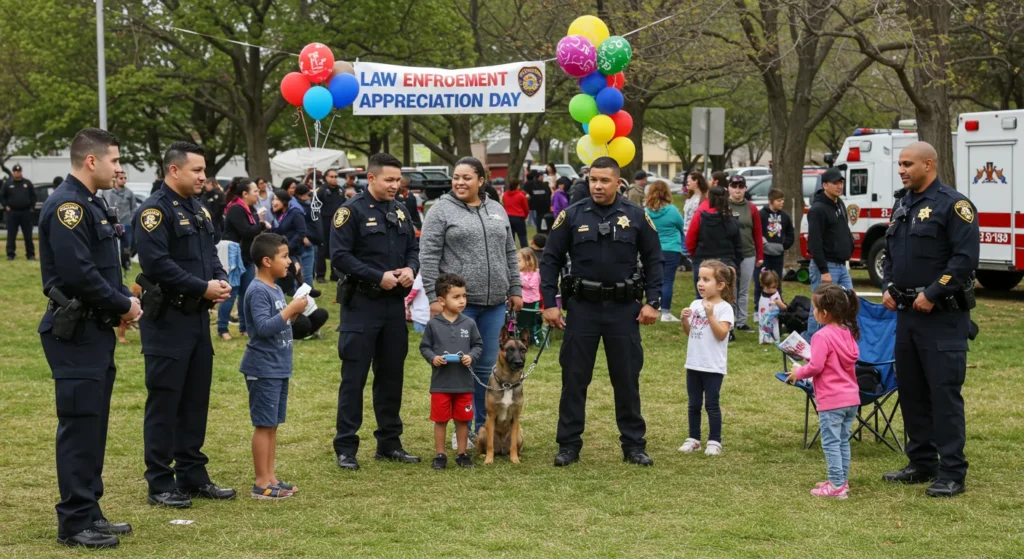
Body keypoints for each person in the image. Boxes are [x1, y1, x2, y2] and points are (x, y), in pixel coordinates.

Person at [38, 128, 142, 549]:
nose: (119, 168)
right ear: (92, 160)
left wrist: (122, 300)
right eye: (115, 160)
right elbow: (79, 273)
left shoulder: (91, 202)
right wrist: (123, 304)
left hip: (94, 330)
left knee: (93, 426)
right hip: (76, 332)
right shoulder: (68, 206)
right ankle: (74, 522)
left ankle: (90, 509)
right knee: (80, 426)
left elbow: (104, 267)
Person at [540, 156, 663, 467]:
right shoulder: (571, 215)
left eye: (604, 180)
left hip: (624, 310)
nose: (597, 185)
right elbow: (550, 259)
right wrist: (549, 303)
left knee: (626, 378)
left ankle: (633, 445)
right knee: (574, 378)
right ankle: (569, 444)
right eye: (593, 179)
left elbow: (654, 259)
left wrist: (653, 301)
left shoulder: (636, 215)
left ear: (618, 183)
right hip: (583, 308)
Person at [135, 141, 236, 508]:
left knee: (195, 400)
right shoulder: (154, 212)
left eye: (204, 170)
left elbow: (210, 253)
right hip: (167, 320)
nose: (203, 176)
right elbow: (157, 264)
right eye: (197, 170)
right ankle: (160, 481)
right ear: (174, 170)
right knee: (165, 403)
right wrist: (201, 287)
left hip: (196, 319)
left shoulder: (199, 209)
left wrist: (220, 279)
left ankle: (193, 475)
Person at [881, 141, 979, 498]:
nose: (902, 170)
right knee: (912, 392)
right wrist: (888, 285)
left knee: (943, 394)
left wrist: (933, 292)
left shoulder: (954, 205)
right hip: (907, 316)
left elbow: (964, 259)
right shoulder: (903, 205)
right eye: (900, 164)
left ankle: (952, 471)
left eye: (908, 164)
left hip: (942, 318)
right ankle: (922, 462)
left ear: (929, 164)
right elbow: (890, 254)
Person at [419, 156, 523, 452]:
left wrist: (515, 287)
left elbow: (510, 252)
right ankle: (460, 427)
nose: (460, 182)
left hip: (495, 304)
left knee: (488, 368)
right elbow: (428, 256)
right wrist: (434, 298)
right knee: (460, 367)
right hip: (459, 306)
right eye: (456, 177)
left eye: (466, 177)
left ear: (481, 180)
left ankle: (482, 429)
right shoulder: (440, 210)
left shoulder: (497, 209)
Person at [330, 152, 420, 471]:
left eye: (398, 180)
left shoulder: (400, 210)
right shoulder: (350, 211)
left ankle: (389, 443)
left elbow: (413, 248)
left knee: (391, 376)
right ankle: (346, 447)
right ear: (371, 178)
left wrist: (411, 268)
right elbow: (339, 256)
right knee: (354, 379)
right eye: (389, 180)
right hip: (361, 305)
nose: (395, 185)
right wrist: (376, 276)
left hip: (393, 306)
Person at [240, 233, 309, 500]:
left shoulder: (276, 288)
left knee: (272, 424)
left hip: (278, 367)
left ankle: (271, 478)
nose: (289, 261)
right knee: (263, 424)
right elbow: (263, 328)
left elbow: (281, 323)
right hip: (262, 368)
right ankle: (261, 483)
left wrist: (295, 311)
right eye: (284, 256)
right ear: (267, 261)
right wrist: (290, 310)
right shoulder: (258, 290)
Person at [786, 285, 861, 498]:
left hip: (832, 400)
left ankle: (836, 486)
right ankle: (841, 480)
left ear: (825, 313)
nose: (813, 312)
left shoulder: (821, 336)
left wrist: (798, 372)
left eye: (814, 309)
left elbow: (816, 367)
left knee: (830, 442)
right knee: (842, 440)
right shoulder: (847, 332)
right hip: (851, 398)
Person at [419, 273, 483, 470]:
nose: (462, 300)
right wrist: (433, 358)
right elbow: (425, 347)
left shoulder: (469, 323)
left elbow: (478, 345)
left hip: (464, 384)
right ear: (441, 300)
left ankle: (462, 454)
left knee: (463, 420)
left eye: (464, 296)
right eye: (456, 297)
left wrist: (471, 356)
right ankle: (440, 454)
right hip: (441, 384)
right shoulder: (433, 324)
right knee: (440, 420)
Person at [679, 260, 735, 457]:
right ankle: (693, 439)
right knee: (693, 404)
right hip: (694, 363)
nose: (700, 283)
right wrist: (684, 320)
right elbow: (690, 332)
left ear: (720, 285)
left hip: (712, 366)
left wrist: (710, 315)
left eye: (706, 279)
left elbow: (721, 334)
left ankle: (714, 441)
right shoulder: (695, 304)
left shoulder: (725, 308)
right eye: (699, 279)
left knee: (711, 404)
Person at [218, 179, 271, 340]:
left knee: (246, 293)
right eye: (255, 191)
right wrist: (262, 225)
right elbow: (246, 231)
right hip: (234, 256)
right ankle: (222, 328)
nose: (257, 194)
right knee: (231, 292)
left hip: (247, 257)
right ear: (245, 194)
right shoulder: (236, 209)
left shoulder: (250, 209)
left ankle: (244, 327)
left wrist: (259, 222)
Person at [806, 167, 855, 337]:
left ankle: (840, 341)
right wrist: (824, 270)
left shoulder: (839, 204)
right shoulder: (817, 209)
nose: (839, 186)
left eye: (841, 182)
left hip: (841, 266)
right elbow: (814, 243)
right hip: (826, 266)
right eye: (835, 183)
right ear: (825, 185)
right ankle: (812, 344)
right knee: (820, 308)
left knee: (849, 303)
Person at [686, 186, 743, 301]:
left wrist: (695, 256)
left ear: (710, 198)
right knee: (728, 299)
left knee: (702, 298)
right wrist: (735, 262)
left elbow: (690, 239)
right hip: (726, 260)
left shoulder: (700, 216)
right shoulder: (732, 220)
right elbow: (738, 245)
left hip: (703, 259)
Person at [725, 175, 764, 331]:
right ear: (729, 187)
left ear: (745, 189)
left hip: (748, 253)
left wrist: (760, 255)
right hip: (729, 254)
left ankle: (741, 321)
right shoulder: (723, 205)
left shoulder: (752, 208)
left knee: (743, 289)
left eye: (741, 187)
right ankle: (729, 319)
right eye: (734, 186)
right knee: (730, 288)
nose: (737, 190)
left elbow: (757, 233)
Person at [645, 180, 686, 322]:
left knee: (653, 279)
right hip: (671, 248)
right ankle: (666, 313)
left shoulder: (646, 212)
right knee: (667, 280)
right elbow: (681, 226)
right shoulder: (672, 210)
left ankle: (652, 305)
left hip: (653, 248)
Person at [755, 189, 795, 306]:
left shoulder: (785, 216)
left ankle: (777, 306)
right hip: (764, 255)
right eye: (779, 200)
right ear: (770, 201)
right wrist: (764, 245)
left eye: (783, 200)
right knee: (761, 281)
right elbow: (756, 232)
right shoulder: (761, 215)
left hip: (778, 255)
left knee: (777, 282)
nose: (782, 203)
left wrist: (784, 246)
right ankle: (759, 307)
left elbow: (790, 233)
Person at [270, 189, 307, 296]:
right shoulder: (278, 214)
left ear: (284, 201)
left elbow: (301, 232)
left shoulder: (295, 213)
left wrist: (288, 247)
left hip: (293, 252)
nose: (273, 202)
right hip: (280, 252)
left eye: (276, 199)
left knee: (296, 279)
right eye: (273, 199)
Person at [100, 170, 137, 271]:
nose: (124, 180)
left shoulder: (129, 193)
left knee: (127, 246)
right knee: (111, 244)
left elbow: (134, 208)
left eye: (125, 178)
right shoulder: (108, 193)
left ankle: (126, 263)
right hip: (112, 223)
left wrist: (131, 220)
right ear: (115, 179)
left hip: (126, 223)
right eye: (121, 178)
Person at [315, 169, 344, 283]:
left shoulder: (340, 190)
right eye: (331, 177)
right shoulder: (321, 191)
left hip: (337, 223)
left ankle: (335, 274)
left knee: (336, 248)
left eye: (336, 177)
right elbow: (315, 208)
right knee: (322, 249)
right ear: (326, 178)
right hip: (324, 223)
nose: (334, 179)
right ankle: (320, 275)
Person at [2, 163, 36, 260]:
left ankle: (30, 254)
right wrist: (6, 206)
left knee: (28, 234)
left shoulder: (27, 183)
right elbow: (2, 196)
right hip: (12, 213)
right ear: (13, 172)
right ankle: (10, 254)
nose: (17, 173)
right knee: (11, 235)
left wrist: (31, 207)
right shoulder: (8, 184)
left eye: (19, 171)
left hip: (25, 212)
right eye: (16, 171)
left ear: (21, 172)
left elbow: (33, 196)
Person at [294, 184, 319, 288]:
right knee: (305, 272)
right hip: (305, 241)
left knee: (308, 272)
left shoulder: (306, 205)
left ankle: (307, 291)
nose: (309, 197)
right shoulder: (299, 208)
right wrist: (304, 237)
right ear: (301, 195)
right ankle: (306, 291)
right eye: (307, 195)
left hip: (311, 239)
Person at [517, 247, 542, 345]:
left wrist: (517, 278)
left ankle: (529, 340)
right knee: (519, 321)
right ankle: (519, 338)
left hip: (531, 302)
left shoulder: (535, 274)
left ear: (528, 261)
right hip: (521, 300)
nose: (517, 263)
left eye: (519, 261)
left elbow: (530, 285)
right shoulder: (520, 273)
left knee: (528, 322)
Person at [756, 269, 788, 345]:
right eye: (772, 287)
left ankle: (774, 338)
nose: (774, 290)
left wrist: (778, 302)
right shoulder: (762, 295)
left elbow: (784, 308)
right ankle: (764, 339)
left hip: (774, 319)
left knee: (774, 328)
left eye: (776, 287)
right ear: (764, 286)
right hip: (764, 318)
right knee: (764, 326)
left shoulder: (775, 295)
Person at [503, 178, 529, 248]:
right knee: (522, 237)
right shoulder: (521, 195)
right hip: (519, 217)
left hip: (508, 217)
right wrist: (525, 216)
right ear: (517, 186)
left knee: (511, 239)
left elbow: (504, 205)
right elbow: (526, 208)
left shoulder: (505, 195)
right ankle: (525, 252)